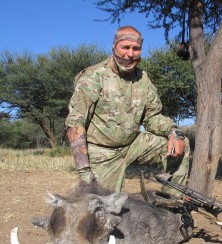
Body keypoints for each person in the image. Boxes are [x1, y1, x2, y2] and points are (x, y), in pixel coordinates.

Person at [65, 25, 190, 195]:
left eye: (136, 49)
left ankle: (172, 204)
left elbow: (152, 117)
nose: (130, 54)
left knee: (181, 143)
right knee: (103, 208)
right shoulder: (93, 76)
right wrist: (84, 171)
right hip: (102, 152)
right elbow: (75, 123)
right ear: (114, 47)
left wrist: (174, 132)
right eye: (125, 47)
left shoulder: (143, 78)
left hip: (133, 145)